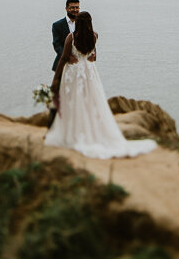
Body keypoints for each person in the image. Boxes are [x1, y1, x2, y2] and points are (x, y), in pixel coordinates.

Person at [45, 11, 156, 159]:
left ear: (78, 22)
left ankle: (75, 133)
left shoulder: (71, 37)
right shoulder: (95, 36)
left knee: (74, 102)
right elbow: (93, 55)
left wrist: (55, 79)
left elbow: (64, 58)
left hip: (74, 72)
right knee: (90, 101)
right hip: (89, 72)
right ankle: (90, 131)